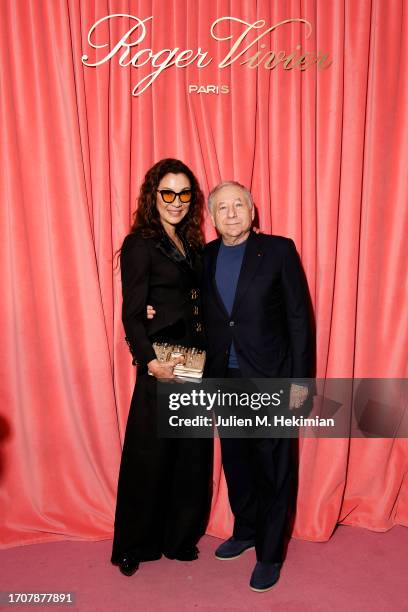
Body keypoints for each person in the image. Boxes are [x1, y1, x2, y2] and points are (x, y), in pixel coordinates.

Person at [201, 181, 314, 592]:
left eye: (238, 205)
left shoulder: (279, 250)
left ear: (252, 210)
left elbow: (300, 321)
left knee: (274, 468)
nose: (231, 213)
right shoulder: (206, 255)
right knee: (237, 462)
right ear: (212, 217)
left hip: (271, 378)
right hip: (224, 380)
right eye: (222, 207)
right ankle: (246, 530)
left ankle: (269, 552)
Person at [111, 159, 213, 576]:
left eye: (184, 193)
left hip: (196, 359)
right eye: (168, 193)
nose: (176, 201)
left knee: (190, 454)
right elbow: (131, 312)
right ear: (153, 196)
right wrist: (150, 361)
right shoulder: (140, 244)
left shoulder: (193, 243)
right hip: (163, 359)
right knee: (149, 455)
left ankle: (179, 539)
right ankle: (135, 545)